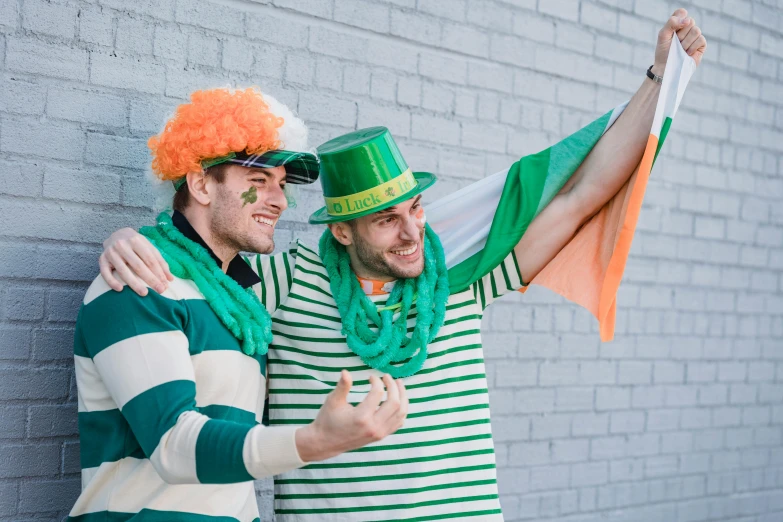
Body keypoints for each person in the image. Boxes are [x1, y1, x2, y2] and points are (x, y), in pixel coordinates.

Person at [99, 10, 706, 520]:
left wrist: (661, 78)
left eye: (415, 209)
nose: (414, 233)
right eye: (387, 220)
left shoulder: (460, 279)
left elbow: (580, 194)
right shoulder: (279, 285)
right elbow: (201, 270)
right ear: (342, 229)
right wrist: (133, 240)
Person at [68, 87, 408, 521]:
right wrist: (312, 441)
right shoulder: (138, 283)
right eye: (258, 181)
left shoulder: (243, 302)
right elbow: (174, 447)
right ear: (200, 183)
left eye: (282, 185)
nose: (280, 201)